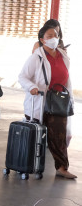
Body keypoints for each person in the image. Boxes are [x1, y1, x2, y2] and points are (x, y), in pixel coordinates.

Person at [19, 23, 75, 179]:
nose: (54, 39)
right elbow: (23, 76)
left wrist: (69, 97)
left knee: (59, 135)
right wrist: (31, 87)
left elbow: (67, 79)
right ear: (42, 40)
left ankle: (62, 167)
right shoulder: (36, 57)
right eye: (50, 36)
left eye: (56, 35)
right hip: (39, 101)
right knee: (34, 135)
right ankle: (23, 164)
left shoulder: (63, 56)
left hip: (58, 102)